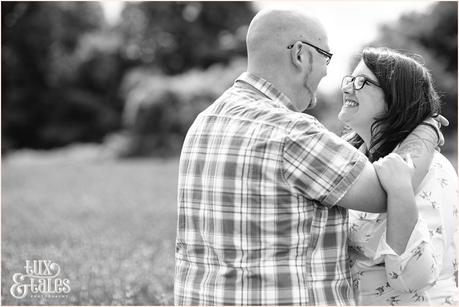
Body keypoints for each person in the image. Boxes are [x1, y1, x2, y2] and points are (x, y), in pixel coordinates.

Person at [175, 9, 443, 305]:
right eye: (326, 57)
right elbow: (388, 192)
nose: (329, 72)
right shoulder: (291, 132)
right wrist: (427, 128)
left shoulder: (202, 123)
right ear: (300, 55)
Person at [342, 47, 458, 305]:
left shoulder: (432, 168)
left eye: (362, 82)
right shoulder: (352, 164)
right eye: (349, 79)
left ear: (396, 99)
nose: (348, 88)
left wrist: (400, 191)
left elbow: (416, 277)